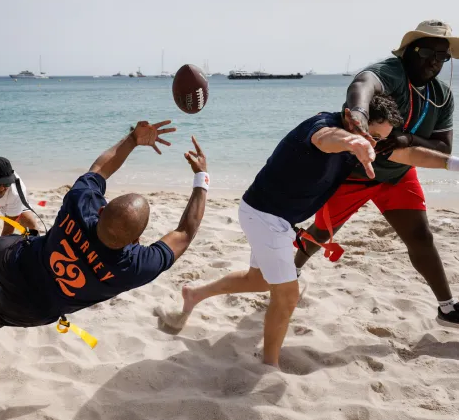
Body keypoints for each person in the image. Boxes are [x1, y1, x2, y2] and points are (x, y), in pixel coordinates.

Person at [159, 94, 459, 368]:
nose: (373, 142)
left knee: (260, 279)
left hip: (272, 217)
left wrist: (454, 164)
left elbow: (412, 156)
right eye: (369, 133)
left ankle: (194, 295)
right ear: (350, 115)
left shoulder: (367, 140)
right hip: (266, 216)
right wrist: (354, 143)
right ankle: (269, 365)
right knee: (287, 296)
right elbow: (327, 139)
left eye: (379, 138)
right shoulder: (322, 127)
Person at [0, 120, 209, 343]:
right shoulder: (135, 266)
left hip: (20, 260)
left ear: (101, 210)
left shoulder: (80, 206)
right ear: (136, 240)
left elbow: (100, 168)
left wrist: (133, 139)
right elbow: (185, 231)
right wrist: (201, 178)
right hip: (32, 306)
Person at [294, 20, 459, 327]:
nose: (434, 60)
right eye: (427, 51)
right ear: (409, 50)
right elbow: (363, 85)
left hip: (398, 175)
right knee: (322, 231)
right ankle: (292, 271)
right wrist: (357, 114)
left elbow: (443, 148)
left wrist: (407, 138)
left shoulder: (443, 95)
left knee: (421, 237)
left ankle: (447, 308)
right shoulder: (391, 73)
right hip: (356, 170)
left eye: (442, 55)